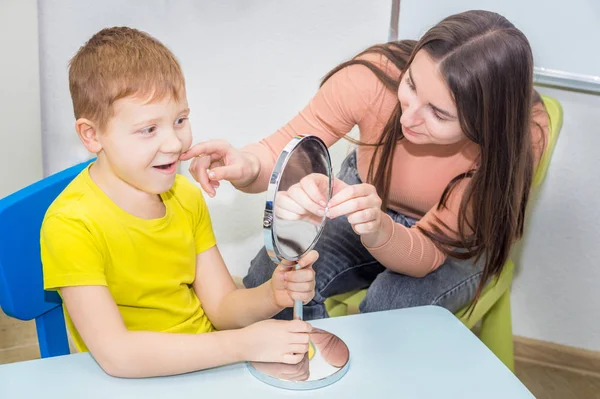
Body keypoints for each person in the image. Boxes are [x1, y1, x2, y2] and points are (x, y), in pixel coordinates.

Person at [181, 10, 550, 320]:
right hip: (366, 205)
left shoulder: (517, 143)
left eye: (438, 113)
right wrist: (244, 166)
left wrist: (377, 229)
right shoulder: (372, 78)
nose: (410, 117)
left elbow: (426, 255)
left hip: (447, 246)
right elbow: (280, 150)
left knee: (390, 309)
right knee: (272, 279)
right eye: (411, 85)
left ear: (488, 124)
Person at [40, 27, 318, 378]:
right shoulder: (70, 224)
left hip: (206, 367)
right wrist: (241, 344)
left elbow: (220, 306)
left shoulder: (184, 196)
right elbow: (118, 355)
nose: (174, 143)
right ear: (92, 135)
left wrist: (272, 294)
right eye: (148, 129)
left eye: (180, 120)